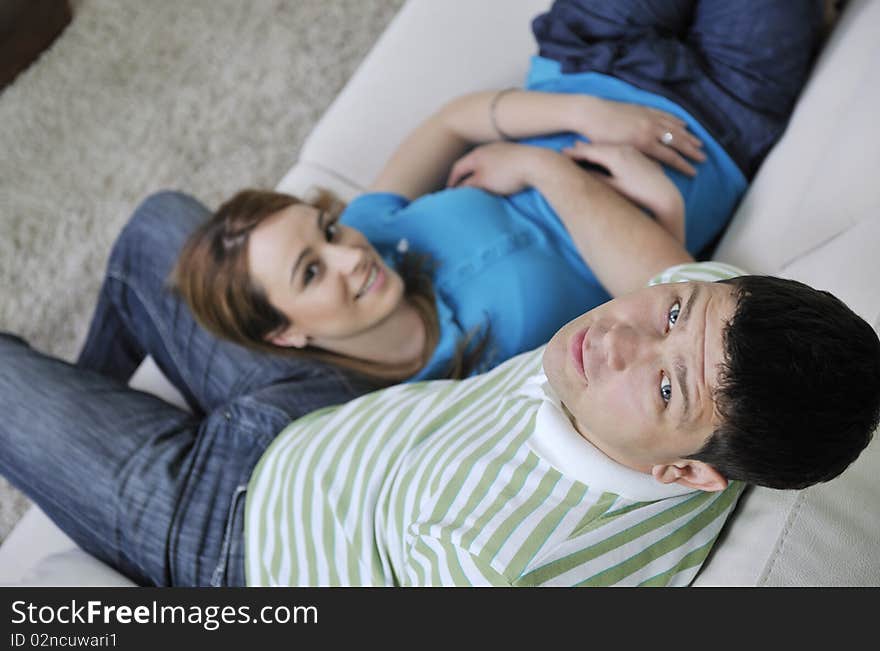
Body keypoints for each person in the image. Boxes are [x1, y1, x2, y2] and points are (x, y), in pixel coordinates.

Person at [7, 0, 874, 587]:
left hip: (226, 526)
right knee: (163, 221)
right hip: (325, 399)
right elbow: (673, 280)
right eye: (672, 317)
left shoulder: (492, 563)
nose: (620, 333)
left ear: (685, 472)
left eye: (661, 384)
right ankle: (100, 388)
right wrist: (550, 167)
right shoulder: (723, 325)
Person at [80, 0, 827, 425]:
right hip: (718, 119)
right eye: (313, 269)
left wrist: (584, 111)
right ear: (287, 331)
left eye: (327, 231)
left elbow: (451, 124)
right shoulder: (444, 395)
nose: (351, 252)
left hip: (594, 58)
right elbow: (667, 289)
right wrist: (545, 167)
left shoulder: (373, 233)